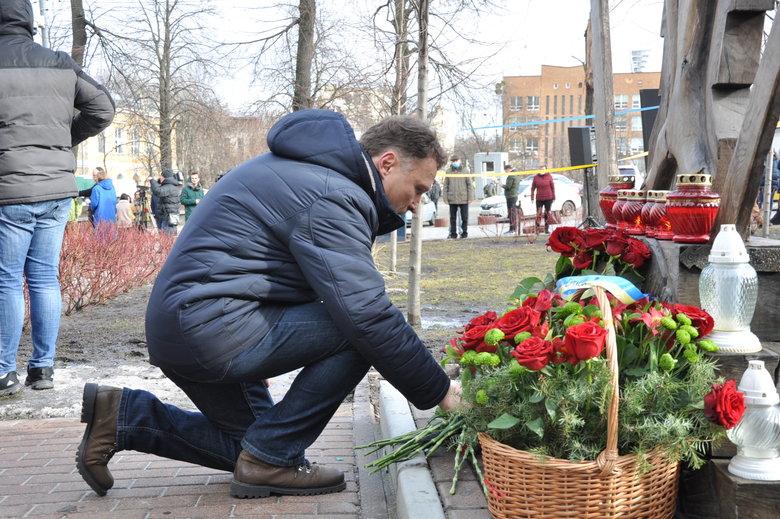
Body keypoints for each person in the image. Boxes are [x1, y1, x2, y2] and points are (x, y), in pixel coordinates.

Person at [75, 110, 461, 500]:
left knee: (254, 450)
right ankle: (270, 460)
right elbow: (367, 314)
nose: (417, 204)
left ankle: (124, 416)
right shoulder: (332, 194)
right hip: (212, 327)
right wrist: (442, 392)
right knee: (357, 335)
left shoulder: (306, 174)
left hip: (188, 326)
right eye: (418, 188)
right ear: (387, 163)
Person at [0, 0, 115, 396]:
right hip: (56, 190)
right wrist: (65, 139)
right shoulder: (60, 62)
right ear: (29, 21)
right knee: (44, 278)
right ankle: (42, 369)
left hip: (10, 191)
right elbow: (103, 108)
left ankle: (4, 372)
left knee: (7, 280)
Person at [442, 154, 474, 239]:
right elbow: (445, 185)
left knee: (464, 217)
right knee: (453, 218)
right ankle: (453, 233)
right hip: (452, 198)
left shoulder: (465, 170)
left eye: (456, 160)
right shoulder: (448, 171)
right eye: (453, 161)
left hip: (463, 198)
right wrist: (445, 198)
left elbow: (469, 185)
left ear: (460, 161)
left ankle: (464, 233)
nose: (455, 162)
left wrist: (470, 197)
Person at [149, 169, 182, 235]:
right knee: (167, 237)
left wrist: (152, 181)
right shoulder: (171, 186)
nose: (160, 178)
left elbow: (158, 191)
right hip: (168, 217)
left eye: (161, 176)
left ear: (165, 177)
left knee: (167, 238)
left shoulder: (169, 187)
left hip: (168, 218)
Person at [530, 165, 555, 234]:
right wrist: (532, 197)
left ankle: (546, 229)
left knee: (547, 214)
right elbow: (533, 188)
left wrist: (553, 197)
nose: (542, 170)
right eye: (541, 169)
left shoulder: (549, 176)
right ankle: (537, 229)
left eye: (543, 169)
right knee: (538, 214)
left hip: (548, 198)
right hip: (539, 198)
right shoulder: (536, 177)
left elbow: (552, 187)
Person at [500, 165, 522, 234]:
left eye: (506, 170)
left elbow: (508, 187)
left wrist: (502, 185)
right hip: (514, 195)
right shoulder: (517, 174)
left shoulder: (511, 176)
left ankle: (512, 229)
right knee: (513, 213)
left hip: (510, 196)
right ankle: (514, 228)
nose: (505, 172)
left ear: (508, 169)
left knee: (511, 213)